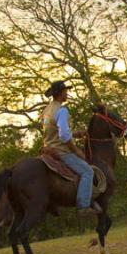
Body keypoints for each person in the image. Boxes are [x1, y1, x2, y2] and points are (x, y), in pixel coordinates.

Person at [42, 80, 102, 216]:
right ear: (60, 93)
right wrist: (76, 150)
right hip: (61, 151)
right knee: (87, 172)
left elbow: (53, 131)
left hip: (48, 149)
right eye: (65, 91)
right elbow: (63, 135)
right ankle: (83, 206)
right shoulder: (62, 110)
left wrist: (75, 133)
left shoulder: (47, 110)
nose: (67, 94)